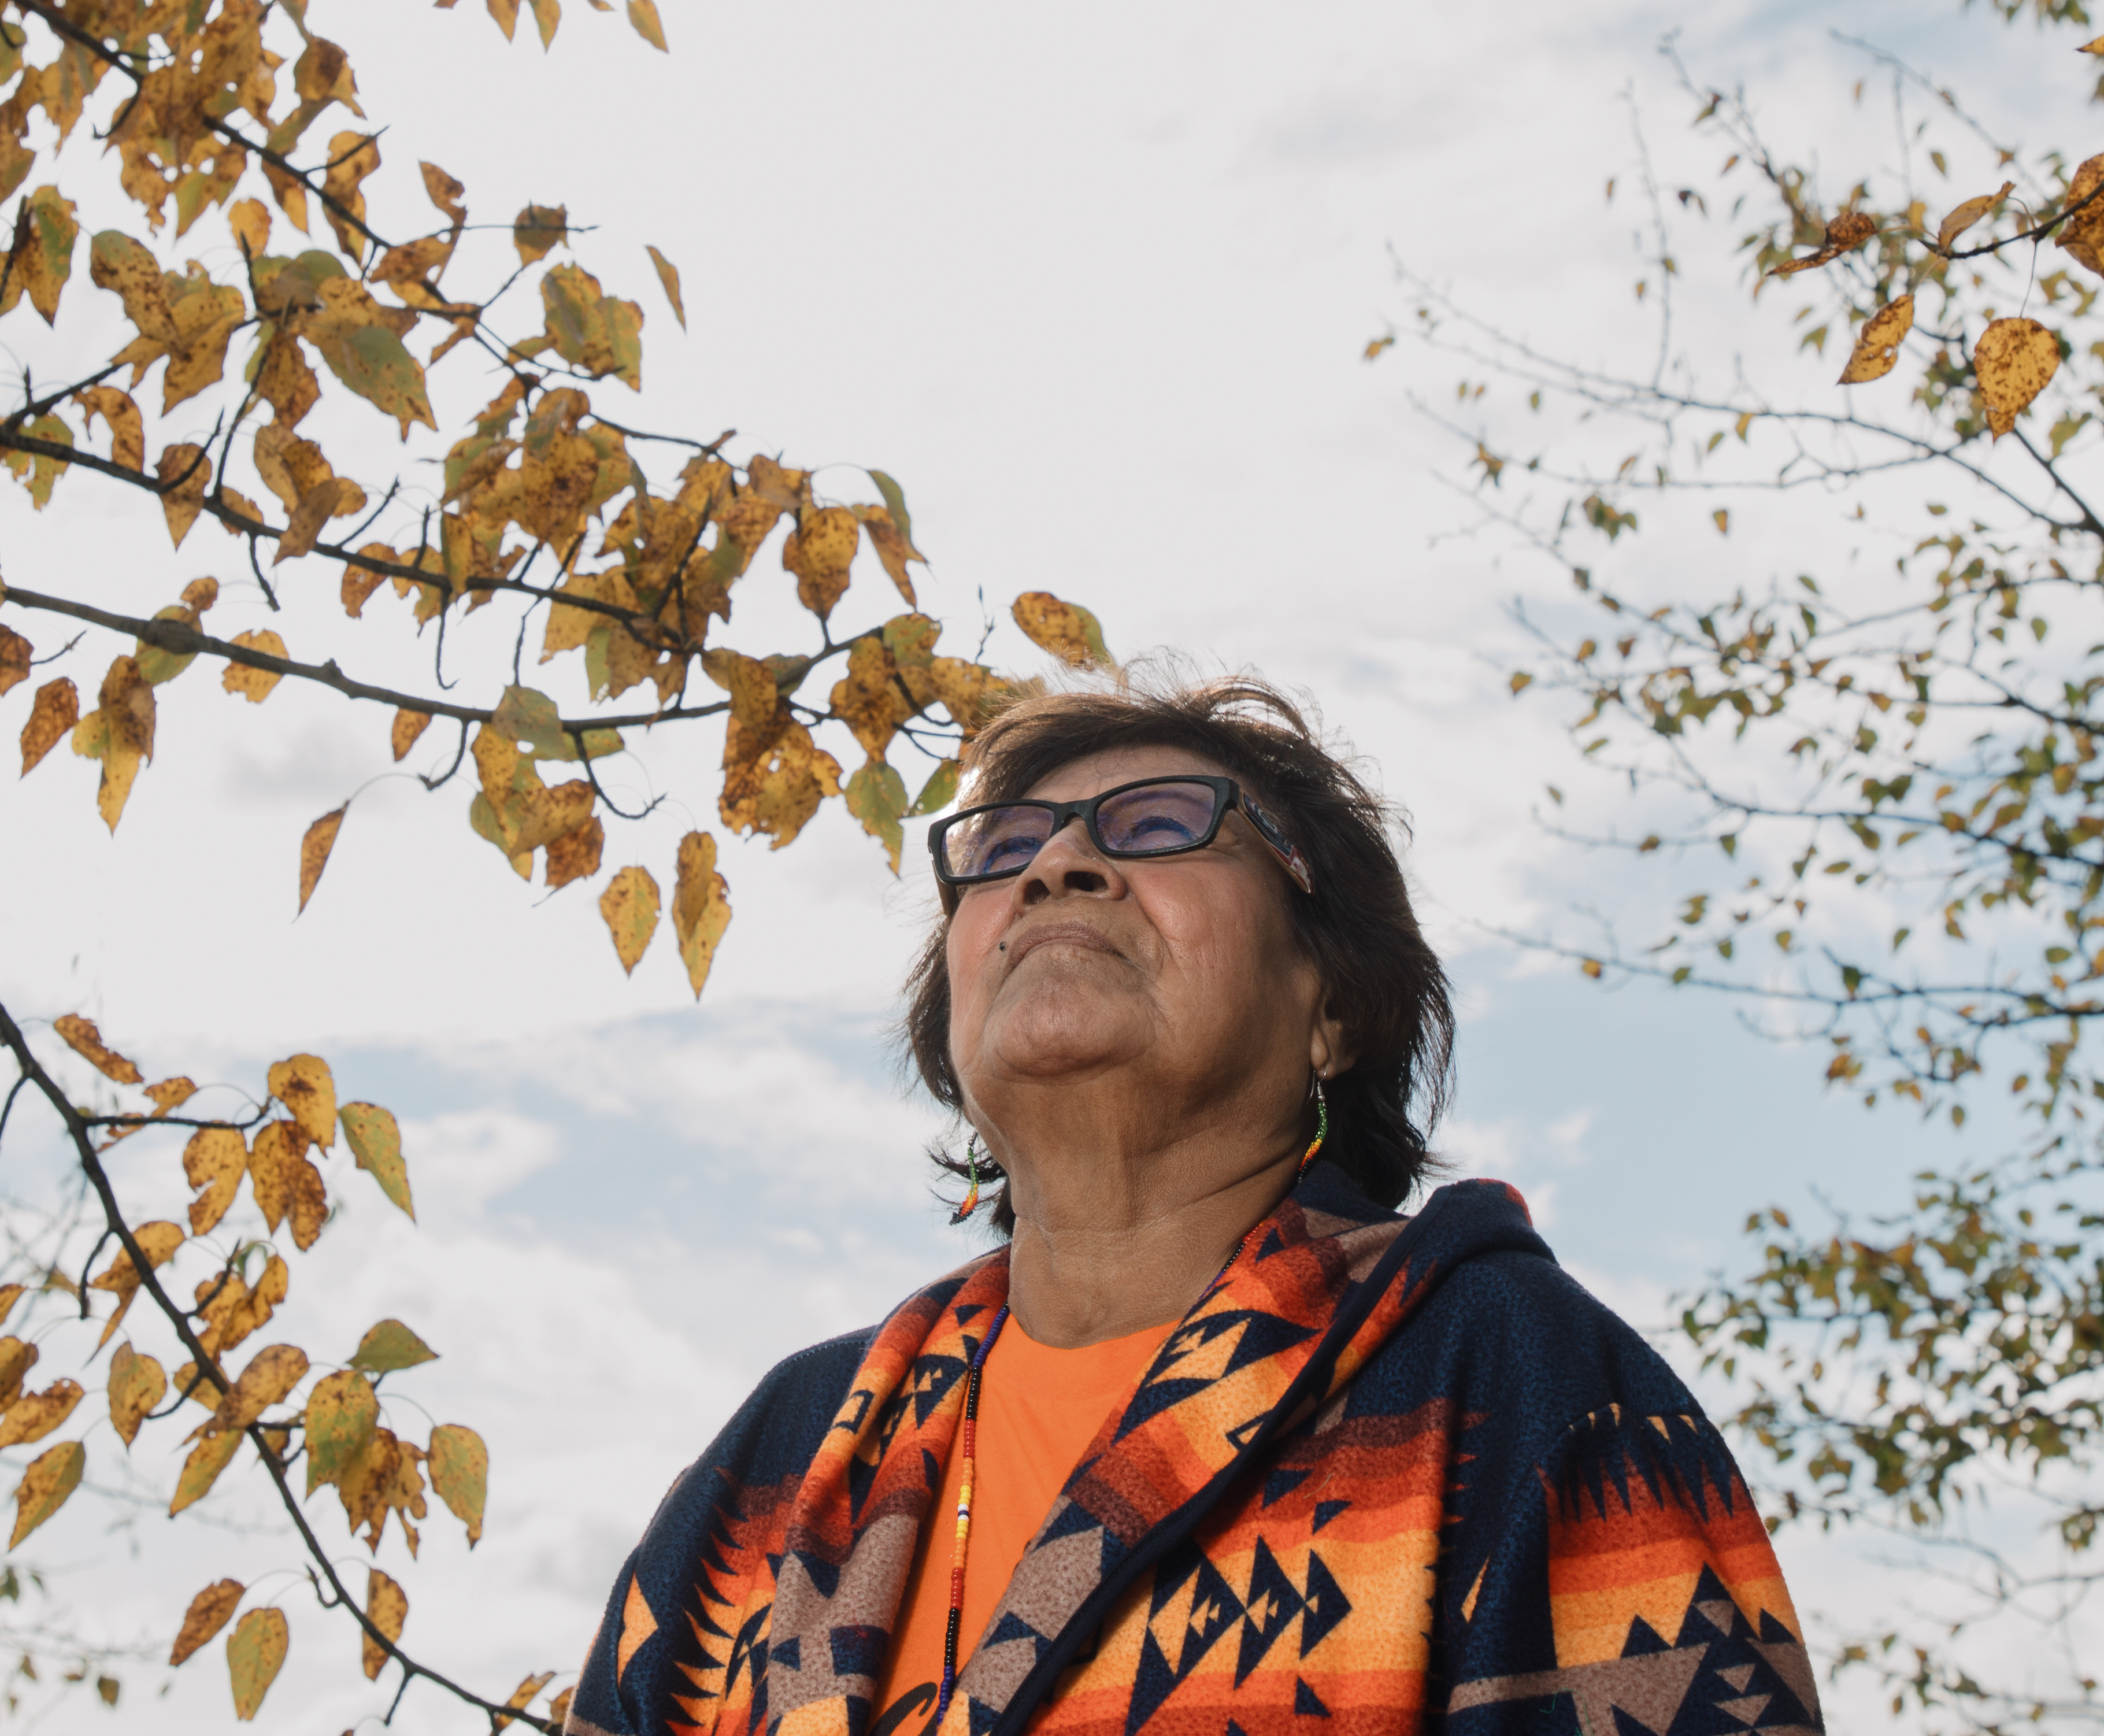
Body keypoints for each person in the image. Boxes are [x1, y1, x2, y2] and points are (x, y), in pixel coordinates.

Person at [565, 672, 1821, 1736]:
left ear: (1332, 1006)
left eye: (1158, 824)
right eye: (1004, 850)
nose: (1058, 865)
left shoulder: (1514, 1375)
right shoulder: (782, 1455)